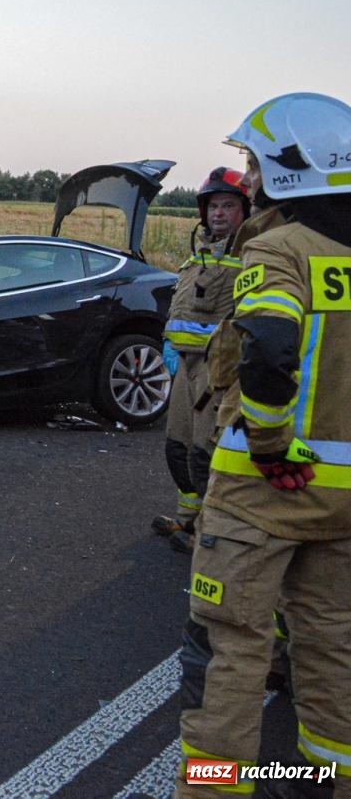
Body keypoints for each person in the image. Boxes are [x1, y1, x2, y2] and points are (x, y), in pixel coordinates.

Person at [171, 92, 351, 799]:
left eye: (253, 165)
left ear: (291, 172)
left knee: (228, 651)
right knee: (332, 647)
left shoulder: (280, 249)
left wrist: (273, 447)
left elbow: (270, 346)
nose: (244, 181)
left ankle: (214, 789)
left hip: (263, 493)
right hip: (344, 504)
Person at [152, 167, 251, 553]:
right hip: (185, 365)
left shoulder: (249, 254)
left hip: (217, 369)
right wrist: (169, 347)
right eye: (213, 206)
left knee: (206, 453)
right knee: (178, 446)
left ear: (245, 209)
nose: (219, 214)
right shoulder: (200, 254)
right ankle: (188, 519)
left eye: (228, 206)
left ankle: (210, 534)